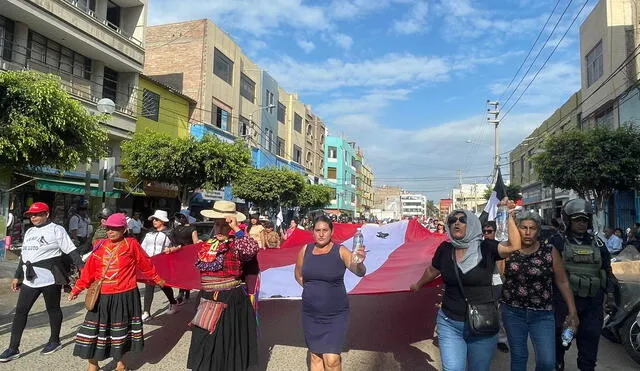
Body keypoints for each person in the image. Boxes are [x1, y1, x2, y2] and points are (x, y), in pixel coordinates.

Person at [409, 199, 522, 371]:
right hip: (449, 323)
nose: (457, 223)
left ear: (473, 224)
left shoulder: (487, 248)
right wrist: (418, 284)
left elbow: (514, 246)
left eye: (462, 220)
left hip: (482, 323)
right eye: (452, 220)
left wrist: (508, 216)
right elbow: (433, 270)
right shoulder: (445, 249)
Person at [68, 213, 166, 371]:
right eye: (108, 228)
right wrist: (77, 288)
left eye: (115, 228)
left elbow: (145, 263)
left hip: (124, 294)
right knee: (94, 330)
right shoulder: (99, 245)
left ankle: (120, 363)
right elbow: (89, 270)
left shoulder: (131, 244)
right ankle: (92, 364)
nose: (111, 232)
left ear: (124, 229)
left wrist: (157, 278)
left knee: (120, 331)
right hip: (102, 296)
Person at [0, 202, 85, 363]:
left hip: (49, 278)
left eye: (37, 214)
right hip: (29, 279)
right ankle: (13, 348)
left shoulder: (56, 229)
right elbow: (24, 256)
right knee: (20, 312)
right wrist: (17, 276)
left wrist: (83, 268)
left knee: (52, 309)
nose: (34, 217)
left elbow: (70, 250)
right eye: (31, 215)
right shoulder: (30, 231)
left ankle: (54, 341)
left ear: (47, 214)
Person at [498, 211, 579, 371]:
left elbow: (562, 281)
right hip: (513, 313)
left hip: (542, 314)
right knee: (519, 358)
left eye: (532, 228)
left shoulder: (549, 251)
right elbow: (500, 277)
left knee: (547, 362)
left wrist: (572, 311)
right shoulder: (508, 251)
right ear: (517, 229)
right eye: (523, 228)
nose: (528, 232)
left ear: (538, 231)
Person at [187, 200, 259, 371]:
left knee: (225, 342)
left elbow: (250, 250)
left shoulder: (237, 243)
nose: (219, 229)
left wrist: (236, 229)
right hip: (206, 299)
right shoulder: (208, 244)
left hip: (229, 300)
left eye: (224, 225)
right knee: (204, 340)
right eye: (217, 224)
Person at [550, 199, 618, 371]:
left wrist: (610, 296)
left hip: (592, 306)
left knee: (589, 351)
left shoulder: (599, 244)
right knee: (559, 348)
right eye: (577, 220)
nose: (581, 223)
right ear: (568, 220)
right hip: (564, 306)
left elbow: (608, 272)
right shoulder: (556, 242)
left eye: (584, 220)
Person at [294, 215, 367, 371]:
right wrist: (312, 290)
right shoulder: (305, 250)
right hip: (311, 314)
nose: (321, 234)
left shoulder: (340, 251)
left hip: (335, 315)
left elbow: (359, 272)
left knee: (332, 359)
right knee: (315, 356)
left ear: (331, 232)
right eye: (317, 230)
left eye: (325, 230)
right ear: (312, 232)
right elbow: (298, 275)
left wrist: (359, 262)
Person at [139, 210, 178, 321]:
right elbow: (142, 248)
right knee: (149, 286)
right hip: (149, 264)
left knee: (163, 285)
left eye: (156, 219)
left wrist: (171, 249)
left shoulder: (170, 233)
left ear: (162, 221)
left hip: (163, 264)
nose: (154, 221)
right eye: (153, 219)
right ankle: (146, 312)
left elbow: (179, 246)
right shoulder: (149, 234)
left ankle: (173, 302)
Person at [482, 220, 509, 354]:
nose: (486, 234)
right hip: (486, 285)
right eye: (484, 232)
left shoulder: (502, 246)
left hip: (501, 284)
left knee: (500, 314)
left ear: (495, 232)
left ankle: (501, 340)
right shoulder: (481, 246)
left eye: (489, 232)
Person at [171, 209, 199, 304]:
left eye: (183, 217)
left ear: (187, 218)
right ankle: (185, 291)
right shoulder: (176, 228)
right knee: (179, 274)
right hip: (177, 253)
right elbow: (172, 239)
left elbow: (195, 242)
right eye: (179, 217)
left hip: (187, 254)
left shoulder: (192, 228)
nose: (181, 219)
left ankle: (181, 293)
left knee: (184, 274)